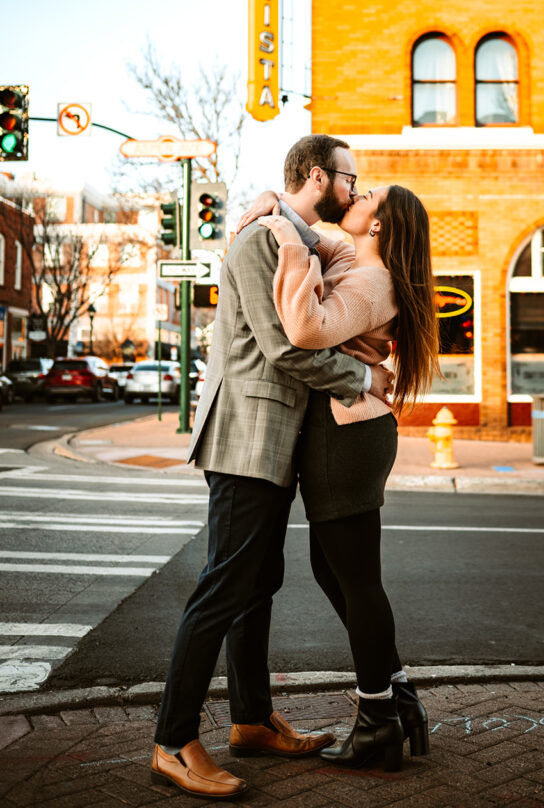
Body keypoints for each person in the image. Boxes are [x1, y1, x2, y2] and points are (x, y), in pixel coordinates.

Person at [150, 136, 394, 801]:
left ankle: (252, 721)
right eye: (349, 177)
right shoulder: (262, 240)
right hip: (245, 434)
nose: (354, 187)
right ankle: (173, 741)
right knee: (225, 584)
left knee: (259, 580)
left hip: (273, 440)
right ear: (317, 175)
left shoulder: (290, 234)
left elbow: (345, 270)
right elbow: (286, 349)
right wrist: (364, 373)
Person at [253, 182, 440, 772]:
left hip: (347, 433)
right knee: (335, 570)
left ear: (379, 224)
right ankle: (398, 695)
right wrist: (283, 209)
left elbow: (304, 330)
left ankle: (378, 719)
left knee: (357, 580)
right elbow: (326, 251)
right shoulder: (366, 268)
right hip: (351, 430)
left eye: (370, 196)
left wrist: (282, 234)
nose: (357, 198)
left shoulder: (370, 282)